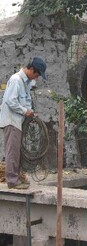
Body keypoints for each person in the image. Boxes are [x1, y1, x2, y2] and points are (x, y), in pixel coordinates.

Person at [0, 57, 47, 189]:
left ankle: (17, 177)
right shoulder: (16, 80)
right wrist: (25, 111)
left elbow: (25, 101)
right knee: (13, 151)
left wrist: (30, 112)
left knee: (18, 151)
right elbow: (10, 101)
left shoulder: (25, 82)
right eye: (36, 74)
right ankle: (12, 180)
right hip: (11, 121)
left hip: (17, 121)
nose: (36, 78)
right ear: (31, 69)